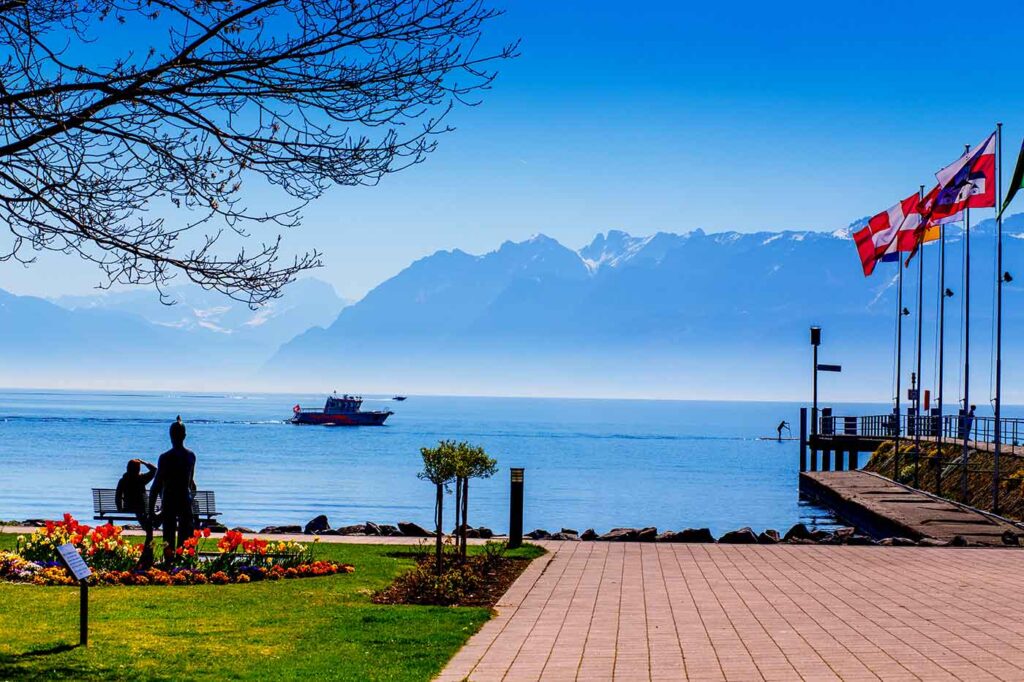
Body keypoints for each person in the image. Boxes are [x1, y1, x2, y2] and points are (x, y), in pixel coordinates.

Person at [148, 416, 197, 560]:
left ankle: (169, 562)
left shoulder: (165, 457)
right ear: (184, 436)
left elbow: (156, 485)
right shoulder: (191, 456)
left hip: (170, 499)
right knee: (184, 534)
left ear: (171, 436)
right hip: (184, 499)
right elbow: (191, 483)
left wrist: (151, 511)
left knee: (168, 534)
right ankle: (183, 563)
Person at [115, 458, 157, 567]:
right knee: (150, 531)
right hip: (141, 508)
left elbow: (118, 496)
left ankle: (147, 555)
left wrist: (120, 508)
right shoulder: (141, 479)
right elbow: (155, 470)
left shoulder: (123, 480)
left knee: (150, 530)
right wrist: (144, 462)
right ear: (138, 469)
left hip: (129, 507)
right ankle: (148, 555)